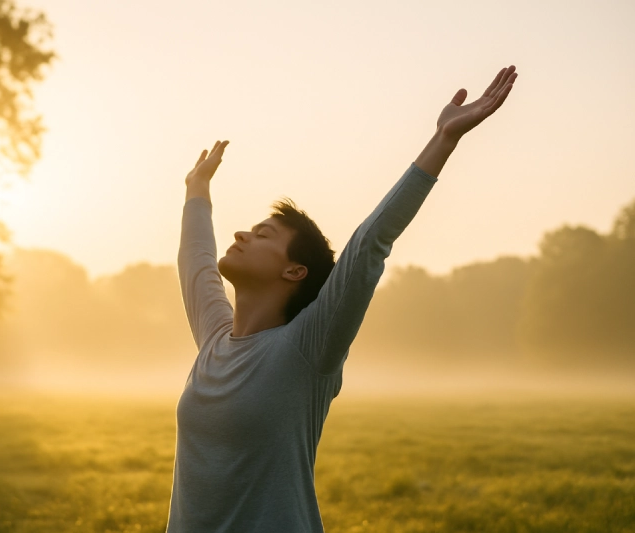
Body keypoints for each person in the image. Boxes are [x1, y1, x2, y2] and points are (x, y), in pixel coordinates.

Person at [167, 65, 519, 532]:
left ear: (295, 271)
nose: (242, 233)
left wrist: (443, 140)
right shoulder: (214, 340)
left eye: (263, 234)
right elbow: (195, 260)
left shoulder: (306, 349)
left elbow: (369, 244)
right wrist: (197, 189)